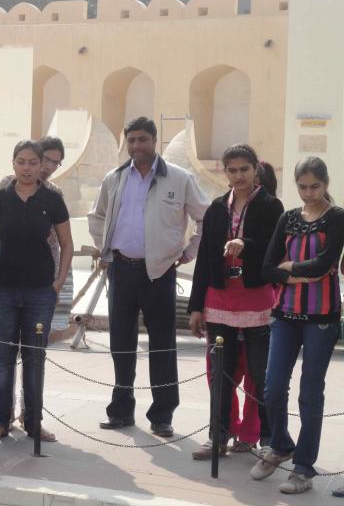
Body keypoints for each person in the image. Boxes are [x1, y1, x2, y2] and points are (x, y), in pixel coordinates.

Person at [88, 117, 208, 438]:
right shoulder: (115, 178)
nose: (136, 146)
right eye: (131, 140)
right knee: (121, 343)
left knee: (162, 346)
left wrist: (188, 252)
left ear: (155, 140)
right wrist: (106, 247)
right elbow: (96, 216)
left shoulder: (179, 178)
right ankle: (121, 410)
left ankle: (162, 415)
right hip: (121, 270)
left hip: (160, 272)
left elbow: (206, 218)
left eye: (142, 139)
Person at [0, 140, 73, 442]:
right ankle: (1, 422)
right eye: (21, 162)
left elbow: (66, 243)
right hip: (2, 289)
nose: (27, 168)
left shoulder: (52, 199)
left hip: (40, 291)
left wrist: (58, 282)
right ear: (13, 163)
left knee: (34, 357)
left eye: (33, 163)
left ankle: (33, 422)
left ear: (41, 166)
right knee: (4, 356)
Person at [254, 157, 344, 495]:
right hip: (285, 313)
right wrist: (294, 274)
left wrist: (289, 267)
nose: (308, 193)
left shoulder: (337, 217)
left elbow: (324, 263)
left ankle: (304, 468)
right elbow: (266, 267)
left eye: (314, 187)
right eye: (302, 187)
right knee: (272, 387)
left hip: (321, 318)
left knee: (310, 393)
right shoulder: (288, 217)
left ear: (325, 184)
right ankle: (280, 445)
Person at [187, 145, 283, 460]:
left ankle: (266, 439)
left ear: (256, 170)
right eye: (232, 170)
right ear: (224, 172)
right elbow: (204, 260)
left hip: (257, 299)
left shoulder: (271, 206)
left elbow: (275, 248)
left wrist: (246, 244)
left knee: (260, 373)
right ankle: (218, 437)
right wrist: (196, 307)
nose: (239, 175)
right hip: (220, 299)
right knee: (221, 374)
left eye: (244, 169)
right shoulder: (216, 208)